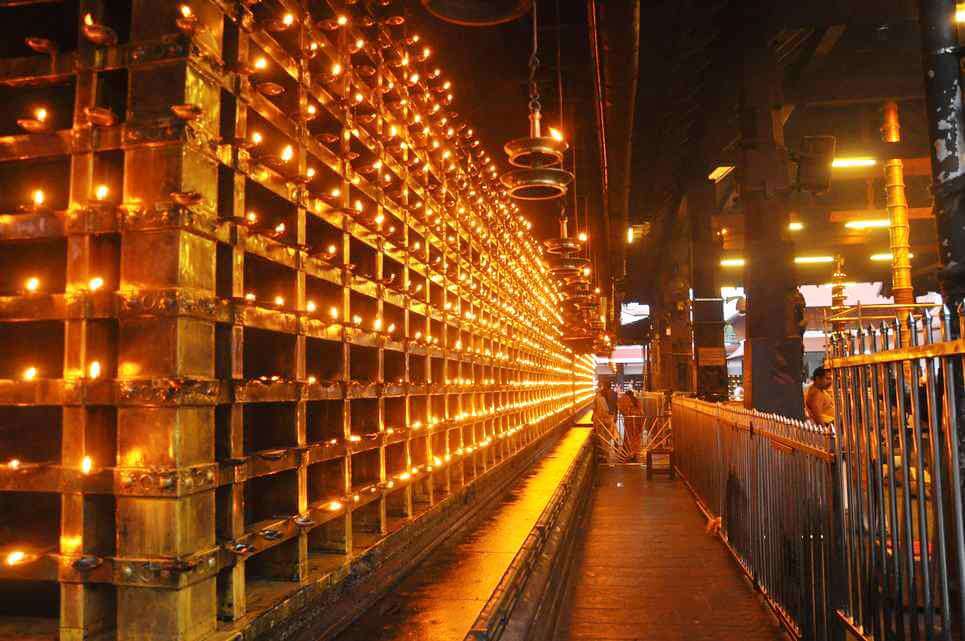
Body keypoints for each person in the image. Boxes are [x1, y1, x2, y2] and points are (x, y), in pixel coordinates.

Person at [618, 389, 644, 462]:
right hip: (637, 422)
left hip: (629, 422)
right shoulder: (636, 400)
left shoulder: (625, 400)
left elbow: (622, 410)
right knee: (635, 438)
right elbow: (641, 412)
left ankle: (628, 453)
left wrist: (627, 414)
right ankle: (635, 454)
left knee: (628, 438)